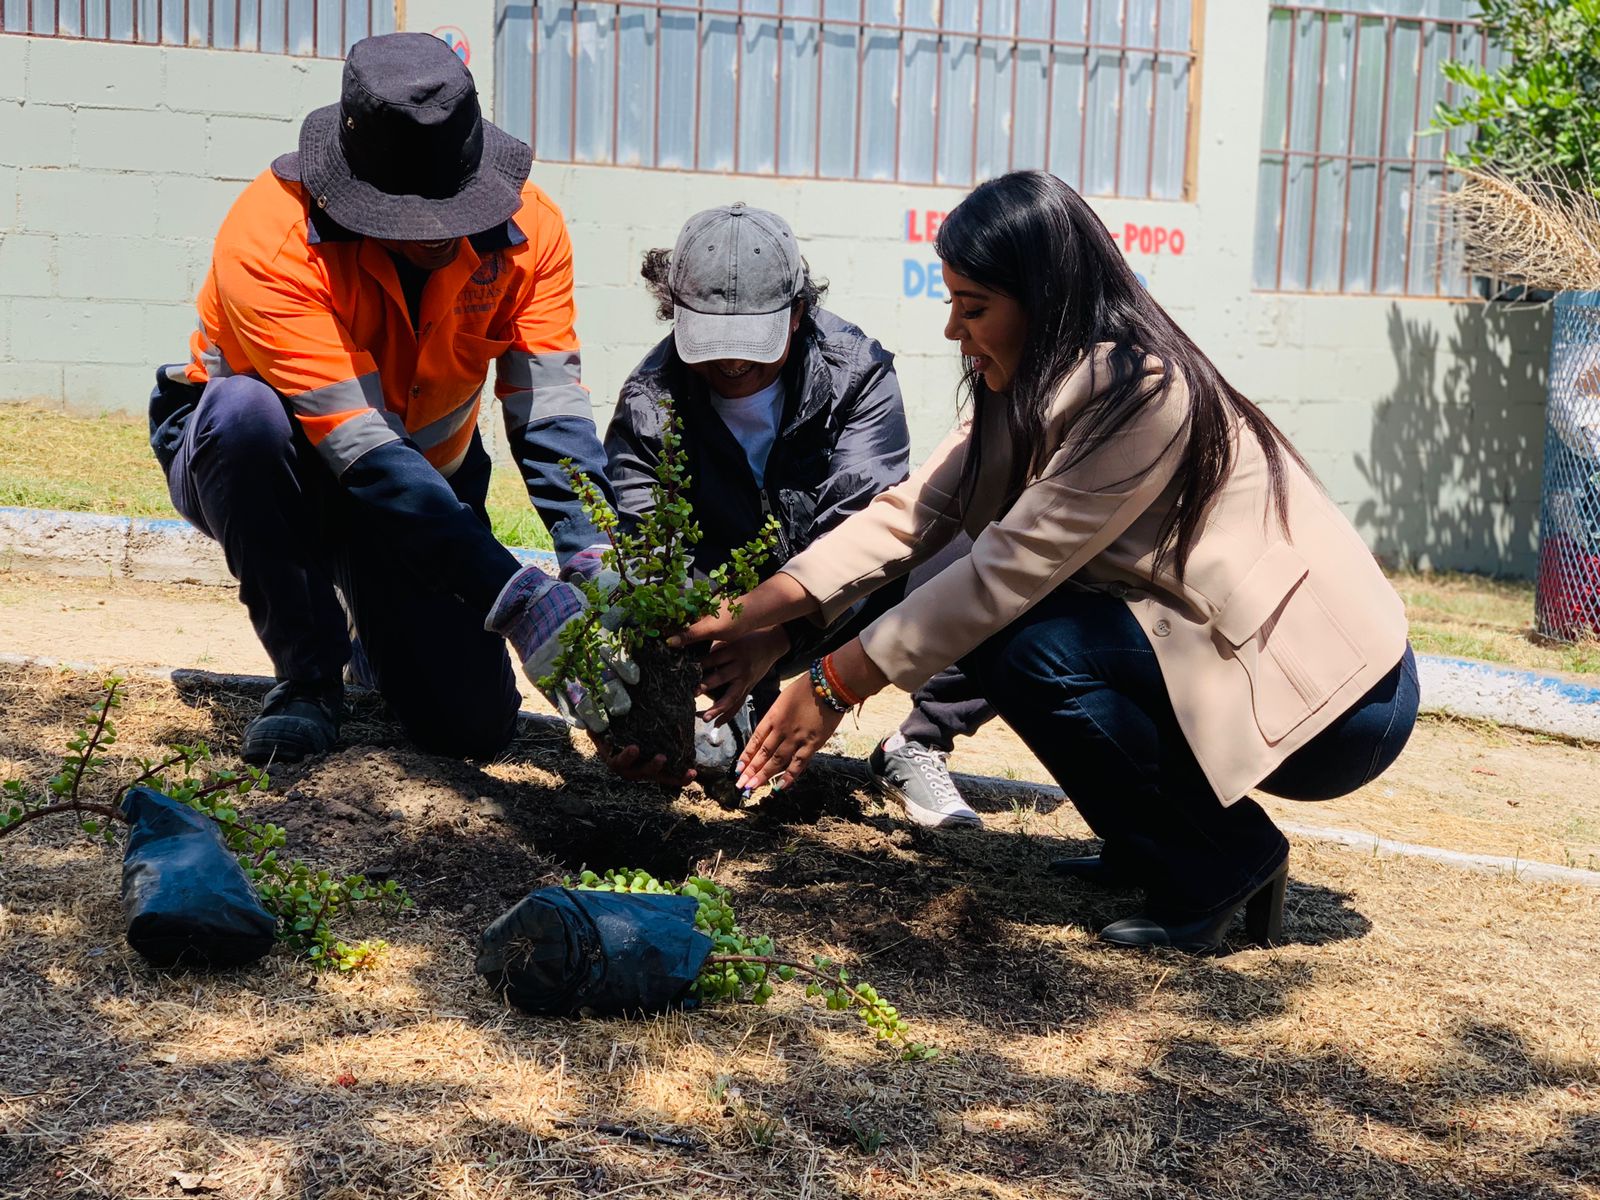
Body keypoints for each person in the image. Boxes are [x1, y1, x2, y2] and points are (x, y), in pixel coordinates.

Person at [679, 171, 1420, 953]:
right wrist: (751, 611)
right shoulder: (1035, 380)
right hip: (1234, 659)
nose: (953, 332)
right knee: (1020, 634)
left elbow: (1000, 574)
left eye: (974, 309)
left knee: (1025, 640)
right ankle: (1156, 842)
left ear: (1045, 298)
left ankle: (1221, 861)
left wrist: (831, 684)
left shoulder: (1140, 392)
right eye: (952, 304)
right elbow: (911, 516)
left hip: (1341, 707)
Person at [146, 33, 632, 766]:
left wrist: (594, 552)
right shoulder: (272, 235)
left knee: (472, 730)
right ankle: (308, 679)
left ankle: (382, 639)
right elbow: (360, 448)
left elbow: (550, 411)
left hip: (425, 489)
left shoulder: (535, 232)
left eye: (456, 210)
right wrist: (520, 597)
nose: (438, 237)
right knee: (245, 415)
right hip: (279, 471)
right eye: (410, 219)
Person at [602, 203, 997, 827]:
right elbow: (647, 553)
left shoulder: (856, 374)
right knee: (730, 769)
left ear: (798, 311)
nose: (733, 364)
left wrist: (777, 637)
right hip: (720, 621)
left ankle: (918, 741)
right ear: (673, 314)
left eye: (753, 345)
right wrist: (669, 688)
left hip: (837, 600)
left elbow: (863, 533)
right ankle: (725, 729)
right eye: (713, 345)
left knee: (980, 551)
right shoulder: (651, 399)